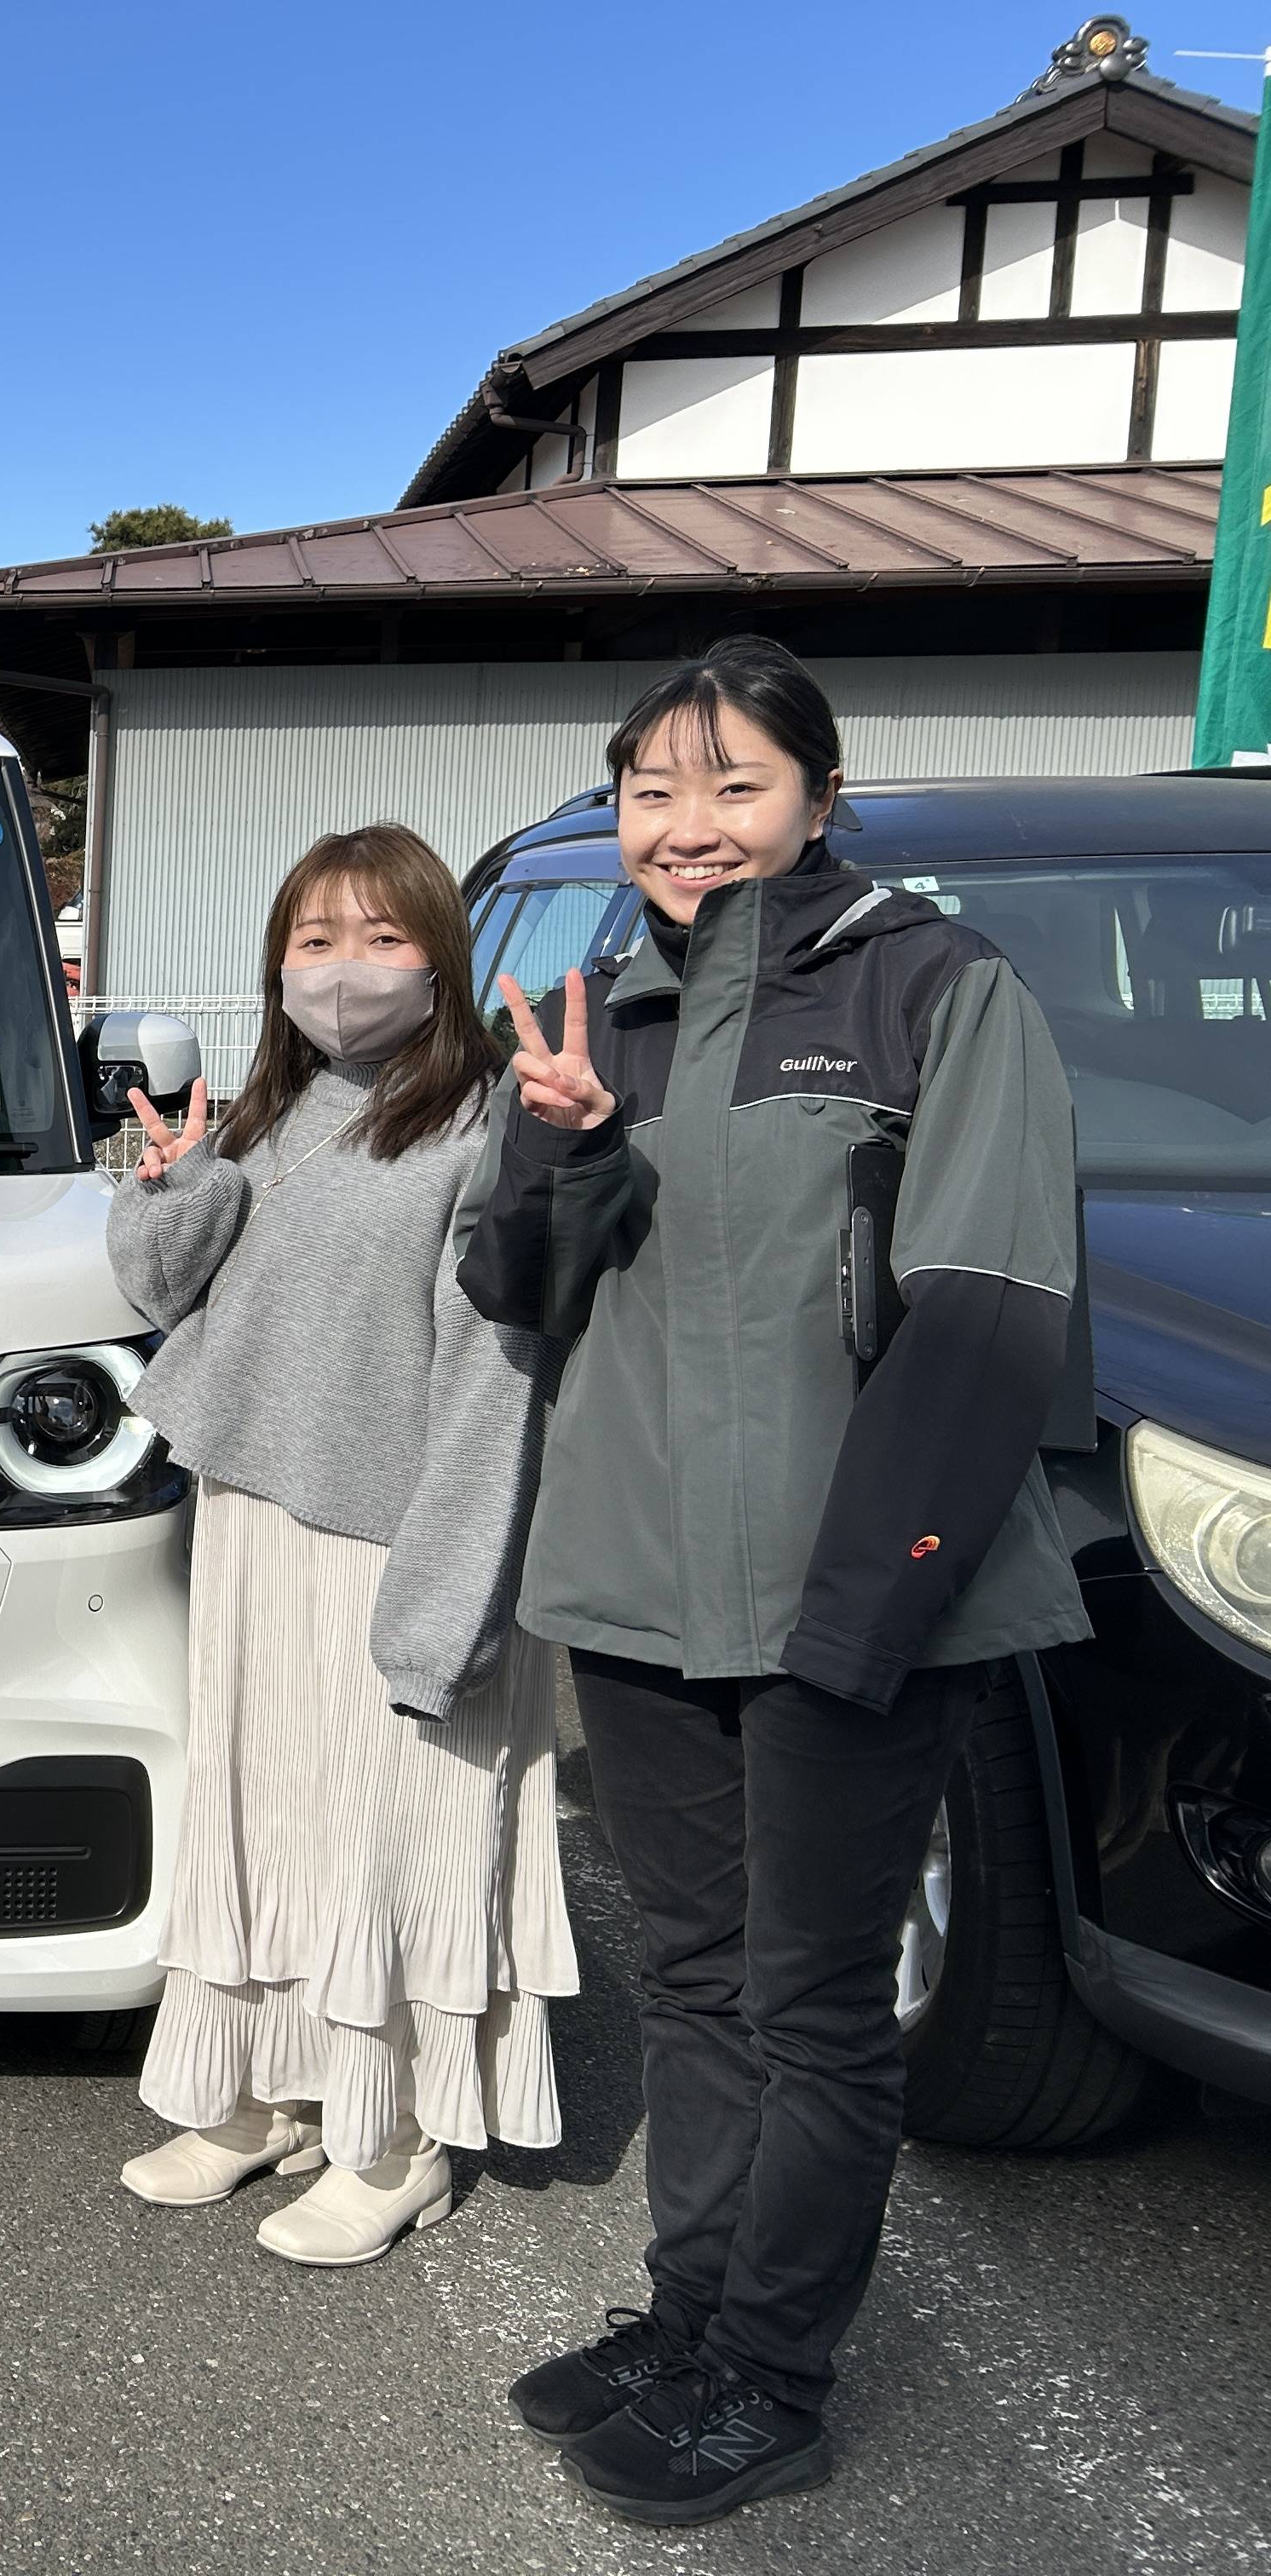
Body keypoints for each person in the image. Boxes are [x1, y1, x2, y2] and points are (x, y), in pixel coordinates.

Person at [460, 636, 1088, 2525]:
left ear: (820, 793)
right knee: (704, 1984)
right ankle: (693, 2314)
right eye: (655, 789)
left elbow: (988, 1321)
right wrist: (554, 1157)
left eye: (733, 784)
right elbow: (519, 1298)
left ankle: (774, 2376)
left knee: (816, 2007)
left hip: (848, 1596)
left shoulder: (938, 993)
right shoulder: (599, 1019)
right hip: (643, 1590)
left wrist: (870, 1607)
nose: (689, 826)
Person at [105, 825, 572, 2268]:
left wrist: (449, 1607)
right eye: (315, 941)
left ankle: (393, 2137)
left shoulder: (482, 1125)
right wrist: (177, 1181)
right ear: (276, 964)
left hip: (400, 1540)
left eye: (382, 938)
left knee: (387, 1839)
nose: (346, 970)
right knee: (267, 1821)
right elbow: (160, 1291)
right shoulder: (269, 1111)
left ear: (442, 954)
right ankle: (260, 2097)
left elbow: (499, 1378)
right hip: (255, 1521)